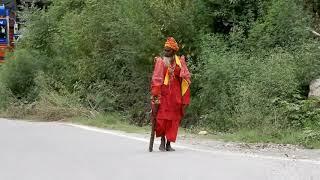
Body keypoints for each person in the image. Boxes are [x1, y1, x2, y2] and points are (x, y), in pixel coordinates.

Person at [150, 37, 191, 151]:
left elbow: (185, 77)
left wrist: (180, 72)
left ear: (173, 51)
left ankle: (169, 144)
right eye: (165, 50)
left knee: (173, 120)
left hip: (175, 97)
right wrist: (155, 94)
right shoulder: (161, 62)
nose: (165, 52)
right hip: (163, 95)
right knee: (162, 119)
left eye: (168, 50)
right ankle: (162, 142)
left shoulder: (179, 62)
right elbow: (157, 79)